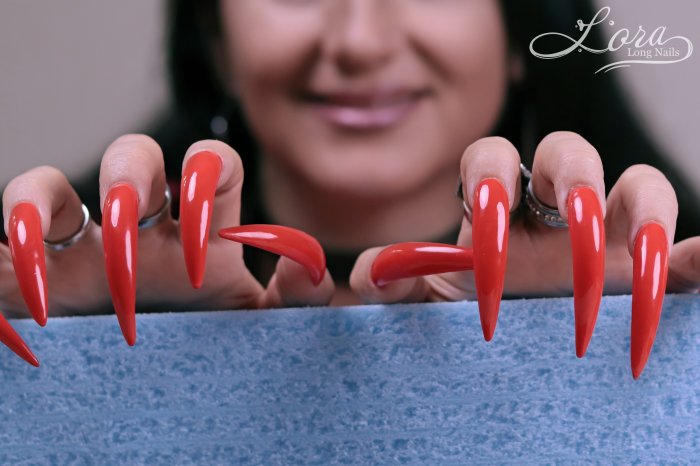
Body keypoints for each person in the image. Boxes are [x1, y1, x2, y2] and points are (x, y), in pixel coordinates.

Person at [1, 0, 699, 378]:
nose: (360, 40)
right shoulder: (42, 284)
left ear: (524, 31)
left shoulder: (667, 288)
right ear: (215, 37)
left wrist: (612, 405)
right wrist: (88, 382)